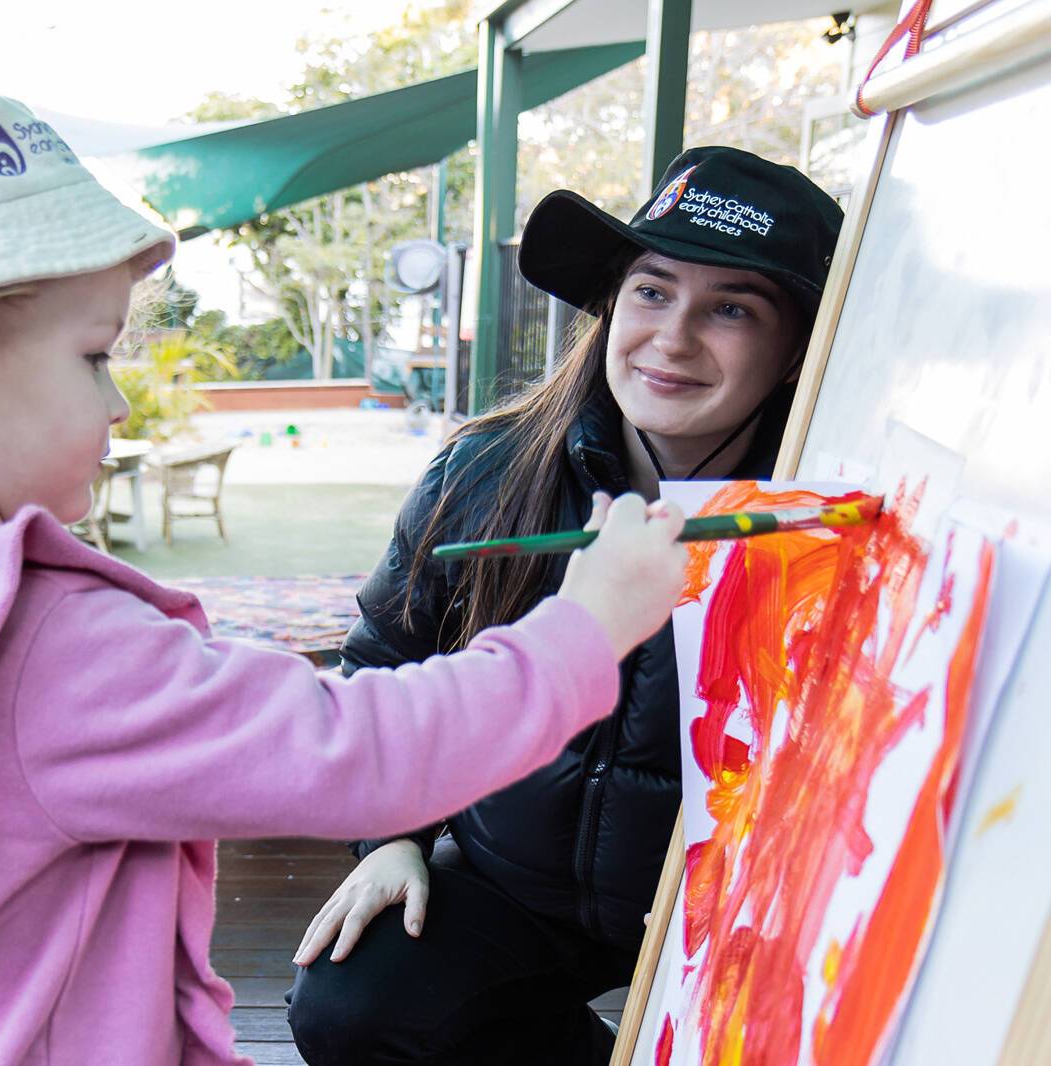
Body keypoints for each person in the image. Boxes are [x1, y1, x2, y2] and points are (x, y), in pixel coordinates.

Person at [0, 77, 692, 1066]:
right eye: (95, 356)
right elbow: (364, 748)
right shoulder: (38, 648)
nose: (117, 405)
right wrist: (589, 624)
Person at [285, 146, 845, 1065]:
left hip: (732, 904)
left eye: (732, 309)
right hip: (513, 878)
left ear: (796, 353)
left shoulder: (825, 520)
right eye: (652, 291)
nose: (672, 337)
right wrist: (391, 837)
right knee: (353, 1001)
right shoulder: (485, 472)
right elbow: (386, 661)